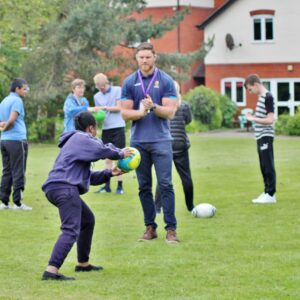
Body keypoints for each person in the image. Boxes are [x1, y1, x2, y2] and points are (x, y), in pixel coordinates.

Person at [41, 111, 133, 281]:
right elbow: (101, 149)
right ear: (91, 128)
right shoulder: (80, 138)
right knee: (70, 230)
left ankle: (83, 264)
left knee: (87, 220)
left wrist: (110, 173)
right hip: (64, 188)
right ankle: (51, 271)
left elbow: (87, 178)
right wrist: (120, 153)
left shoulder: (75, 143)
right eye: (95, 130)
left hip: (59, 187)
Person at [120, 42, 179, 243]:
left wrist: (153, 106)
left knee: (165, 184)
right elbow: (124, 113)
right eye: (141, 57)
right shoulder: (129, 82)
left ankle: (171, 230)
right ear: (136, 59)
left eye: (148, 57)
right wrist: (140, 112)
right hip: (139, 142)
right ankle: (149, 228)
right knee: (144, 186)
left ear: (155, 57)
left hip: (161, 140)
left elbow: (170, 112)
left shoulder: (166, 80)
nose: (144, 60)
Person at [155, 81, 194, 213]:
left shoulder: (161, 106)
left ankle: (157, 208)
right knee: (186, 177)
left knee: (163, 177)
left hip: (165, 143)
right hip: (181, 144)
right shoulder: (184, 106)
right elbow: (188, 120)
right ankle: (190, 206)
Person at [0, 78, 32, 211]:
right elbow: (12, 120)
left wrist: (3, 129)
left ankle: (4, 202)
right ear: (17, 89)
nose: (25, 91)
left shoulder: (4, 101)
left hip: (4, 141)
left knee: (7, 170)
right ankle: (18, 203)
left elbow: (2, 122)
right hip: (17, 140)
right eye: (24, 89)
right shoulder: (17, 100)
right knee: (19, 170)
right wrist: (6, 128)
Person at [244, 74, 276, 203]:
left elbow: (270, 119)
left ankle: (271, 194)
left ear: (256, 85)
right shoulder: (261, 97)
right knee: (263, 165)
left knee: (268, 165)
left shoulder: (268, 97)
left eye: (250, 89)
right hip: (260, 136)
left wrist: (253, 118)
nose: (250, 92)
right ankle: (266, 191)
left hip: (266, 135)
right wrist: (255, 116)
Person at [93, 73, 126, 194]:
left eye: (102, 86)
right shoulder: (96, 96)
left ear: (106, 82)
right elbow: (99, 113)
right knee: (107, 158)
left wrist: (104, 107)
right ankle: (106, 186)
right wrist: (97, 115)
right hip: (106, 129)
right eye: (99, 87)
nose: (101, 89)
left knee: (119, 158)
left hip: (118, 127)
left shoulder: (118, 90)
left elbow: (119, 107)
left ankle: (120, 186)